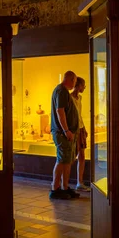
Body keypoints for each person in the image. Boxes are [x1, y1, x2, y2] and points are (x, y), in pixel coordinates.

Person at [49, 71, 80, 200]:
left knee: (67, 160)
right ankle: (55, 188)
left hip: (67, 134)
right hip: (63, 134)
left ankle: (65, 187)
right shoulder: (61, 91)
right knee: (62, 160)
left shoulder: (63, 91)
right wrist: (66, 130)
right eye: (74, 81)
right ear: (70, 79)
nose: (74, 84)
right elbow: (60, 111)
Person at [71, 76, 89, 192]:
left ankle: (80, 182)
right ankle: (64, 182)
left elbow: (79, 114)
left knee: (82, 155)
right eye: (83, 85)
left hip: (80, 128)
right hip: (74, 129)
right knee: (72, 156)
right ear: (78, 85)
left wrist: (84, 128)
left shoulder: (80, 98)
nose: (84, 87)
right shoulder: (70, 98)